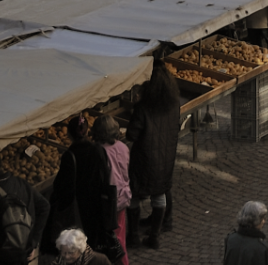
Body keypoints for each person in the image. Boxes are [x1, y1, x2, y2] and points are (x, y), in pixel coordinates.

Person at [125, 60, 180, 251]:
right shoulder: (174, 106)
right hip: (165, 159)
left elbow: (131, 134)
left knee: (133, 197)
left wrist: (134, 108)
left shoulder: (143, 109)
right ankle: (154, 236)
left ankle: (132, 237)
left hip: (144, 160)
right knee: (159, 194)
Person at [55, 114, 120, 263]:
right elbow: (105, 176)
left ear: (69, 134)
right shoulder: (98, 149)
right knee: (94, 243)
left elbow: (62, 188)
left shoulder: (69, 155)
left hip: (80, 208)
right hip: (97, 206)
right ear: (87, 131)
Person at [95, 115, 131, 261]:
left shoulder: (100, 151)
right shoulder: (123, 147)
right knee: (120, 234)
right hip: (123, 195)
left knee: (112, 240)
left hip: (109, 200)